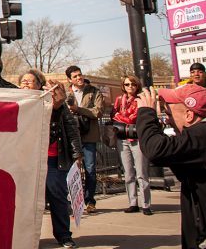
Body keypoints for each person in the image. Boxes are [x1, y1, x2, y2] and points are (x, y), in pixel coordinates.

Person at [136, 84, 206, 249]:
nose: (167, 119)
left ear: (189, 115)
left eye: (169, 114)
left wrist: (146, 113)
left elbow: (155, 150)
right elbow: (170, 158)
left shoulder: (201, 134)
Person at [19, 70, 80, 248]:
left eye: (30, 81)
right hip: (27, 160)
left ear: (40, 85)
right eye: (23, 81)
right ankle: (28, 237)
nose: (25, 84)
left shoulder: (56, 103)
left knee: (57, 197)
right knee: (27, 201)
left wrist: (77, 154)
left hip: (53, 160)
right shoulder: (18, 104)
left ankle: (63, 235)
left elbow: (71, 128)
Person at [65, 65, 106, 213]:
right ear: (69, 79)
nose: (79, 78)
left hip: (89, 136)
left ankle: (90, 201)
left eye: (80, 75)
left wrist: (79, 110)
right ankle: (74, 201)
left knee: (90, 169)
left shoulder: (94, 91)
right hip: (71, 136)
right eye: (75, 76)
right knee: (71, 170)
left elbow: (98, 111)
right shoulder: (65, 93)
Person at [113, 74, 152, 215]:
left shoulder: (141, 99)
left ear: (137, 86)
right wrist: (122, 118)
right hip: (122, 138)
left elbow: (135, 117)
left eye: (133, 84)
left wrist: (122, 118)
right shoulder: (119, 100)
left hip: (138, 138)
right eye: (127, 84)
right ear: (123, 86)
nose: (130, 87)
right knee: (128, 173)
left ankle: (146, 204)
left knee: (142, 172)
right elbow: (114, 116)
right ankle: (133, 202)